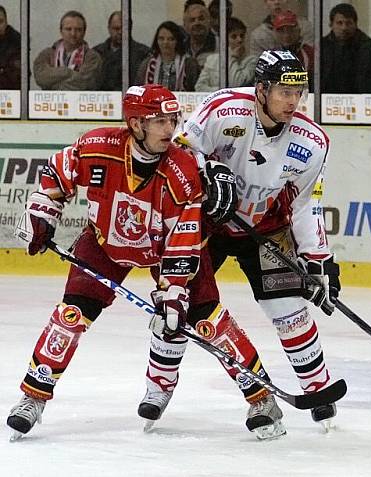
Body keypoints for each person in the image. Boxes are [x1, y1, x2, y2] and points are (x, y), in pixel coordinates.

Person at [5, 84, 204, 439]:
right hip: (104, 243)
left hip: (160, 247)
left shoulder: (182, 167)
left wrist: (174, 289)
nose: (169, 129)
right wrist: (43, 211)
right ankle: (33, 396)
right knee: (69, 317)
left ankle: (160, 386)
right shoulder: (98, 146)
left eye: (172, 119)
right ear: (135, 123)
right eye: (158, 121)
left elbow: (184, 233)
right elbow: (57, 171)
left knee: (174, 316)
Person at [158, 49, 340, 435]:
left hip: (266, 227)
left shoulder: (312, 141)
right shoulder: (223, 109)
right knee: (176, 301)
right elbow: (179, 152)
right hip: (206, 225)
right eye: (283, 92)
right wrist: (210, 169)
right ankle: (159, 385)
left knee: (289, 307)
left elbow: (308, 202)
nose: (293, 101)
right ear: (260, 89)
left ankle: (318, 388)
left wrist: (318, 257)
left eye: (299, 92)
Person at [320, 3, 371, 93]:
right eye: (339, 23)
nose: (344, 28)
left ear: (355, 24)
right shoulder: (323, 47)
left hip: (359, 102)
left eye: (348, 23)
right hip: (327, 102)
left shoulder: (366, 47)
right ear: (331, 24)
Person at [33, 10, 102, 90]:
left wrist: (53, 83)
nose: (73, 34)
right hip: (51, 102)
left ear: (84, 32)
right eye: (68, 29)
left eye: (78, 30)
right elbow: (41, 79)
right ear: (61, 31)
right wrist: (66, 72)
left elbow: (84, 84)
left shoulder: (93, 57)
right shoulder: (46, 54)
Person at [195, 16, 257, 92]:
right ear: (225, 39)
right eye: (234, 36)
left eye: (242, 36)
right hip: (215, 101)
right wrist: (222, 92)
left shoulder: (252, 61)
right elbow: (199, 87)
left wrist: (233, 57)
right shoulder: (212, 59)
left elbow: (236, 83)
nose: (240, 40)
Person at [93, 11, 150, 91]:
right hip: (103, 100)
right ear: (109, 28)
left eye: (125, 29)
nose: (120, 32)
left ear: (130, 29)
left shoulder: (143, 53)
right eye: (116, 29)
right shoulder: (97, 53)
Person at [136, 21, 200, 92]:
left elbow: (195, 90)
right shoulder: (147, 64)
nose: (165, 42)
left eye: (171, 39)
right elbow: (139, 90)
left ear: (178, 41)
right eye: (161, 38)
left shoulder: (189, 64)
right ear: (156, 41)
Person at [272, 10, 314, 90]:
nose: (286, 35)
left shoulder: (310, 53)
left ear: (298, 31)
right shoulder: (270, 56)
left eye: (290, 30)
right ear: (275, 33)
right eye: (281, 31)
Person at [182, 3, 217, 69]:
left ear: (209, 22)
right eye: (192, 20)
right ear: (185, 26)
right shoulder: (180, 48)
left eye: (201, 19)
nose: (197, 23)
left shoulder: (221, 45)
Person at [0, 5, 21, 90]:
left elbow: (18, 75)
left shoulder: (17, 42)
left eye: (0, 21)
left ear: (6, 22)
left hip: (11, 95)